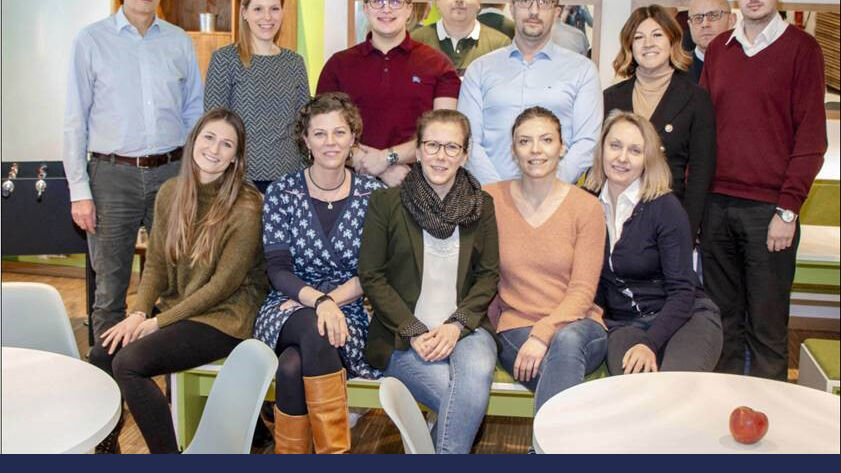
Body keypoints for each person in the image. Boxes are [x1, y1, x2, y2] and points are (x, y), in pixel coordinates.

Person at [61, 0, 203, 453]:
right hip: (111, 176)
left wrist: (192, 180)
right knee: (108, 297)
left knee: (179, 289)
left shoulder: (178, 42)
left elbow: (193, 115)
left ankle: (170, 408)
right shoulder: (91, 40)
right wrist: (78, 189)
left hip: (171, 173)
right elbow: (74, 119)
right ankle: (105, 425)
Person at [103, 109, 266, 454]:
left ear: (236, 157)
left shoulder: (247, 206)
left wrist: (157, 322)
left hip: (225, 317)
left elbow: (221, 287)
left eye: (227, 144)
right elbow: (157, 265)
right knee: (102, 353)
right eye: (209, 137)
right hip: (182, 307)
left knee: (128, 364)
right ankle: (107, 449)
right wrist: (137, 314)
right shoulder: (171, 192)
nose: (215, 149)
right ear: (193, 140)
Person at [359, 110, 499, 454]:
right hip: (403, 335)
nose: (441, 155)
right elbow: (372, 276)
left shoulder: (482, 205)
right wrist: (413, 329)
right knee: (459, 397)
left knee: (476, 374)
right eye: (433, 145)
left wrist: (455, 326)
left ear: (465, 154)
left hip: (466, 327)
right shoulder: (385, 203)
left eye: (452, 147)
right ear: (418, 151)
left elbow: (488, 275)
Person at [700, 0, 827, 380]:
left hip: (769, 213)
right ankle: (725, 419)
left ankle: (769, 427)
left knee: (768, 332)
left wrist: (788, 210)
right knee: (723, 325)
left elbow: (811, 139)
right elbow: (702, 130)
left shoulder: (803, 50)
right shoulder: (719, 49)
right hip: (715, 207)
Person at [253, 93, 384, 454]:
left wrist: (330, 302)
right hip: (288, 306)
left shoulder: (375, 195)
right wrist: (319, 302)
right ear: (305, 140)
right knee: (314, 326)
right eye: (320, 133)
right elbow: (277, 269)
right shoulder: (282, 192)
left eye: (339, 133)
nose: (331, 142)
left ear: (353, 137)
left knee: (293, 367)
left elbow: (373, 271)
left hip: (350, 313)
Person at [484, 107, 606, 418]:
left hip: (580, 326)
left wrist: (544, 333)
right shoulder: (490, 200)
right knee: (564, 377)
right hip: (516, 327)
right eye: (525, 141)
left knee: (566, 341)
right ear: (513, 150)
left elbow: (582, 291)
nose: (536, 150)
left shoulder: (587, 207)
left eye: (546, 140)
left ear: (562, 147)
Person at [584, 110, 723, 376]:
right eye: (615, 146)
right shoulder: (587, 204)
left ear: (647, 159)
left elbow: (683, 292)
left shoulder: (665, 207)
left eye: (635, 150)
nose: (622, 158)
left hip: (685, 317)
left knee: (673, 389)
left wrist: (649, 343)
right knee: (634, 395)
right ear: (601, 149)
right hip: (626, 325)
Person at [317, 0, 461, 188]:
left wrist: (387, 158)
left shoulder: (439, 65)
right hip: (348, 190)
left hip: (417, 185)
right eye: (377, 2)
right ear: (366, 8)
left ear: (409, 9)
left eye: (395, 2)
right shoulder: (337, 65)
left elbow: (446, 133)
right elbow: (321, 131)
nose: (386, 9)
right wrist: (373, 164)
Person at [458, 0, 602, 185]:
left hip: (555, 201)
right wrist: (497, 192)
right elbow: (468, 139)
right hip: (489, 198)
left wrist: (547, 188)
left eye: (544, 3)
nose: (534, 11)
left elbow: (587, 141)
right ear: (512, 8)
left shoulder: (582, 70)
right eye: (526, 2)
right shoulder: (479, 70)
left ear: (556, 12)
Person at [603, 4, 716, 239]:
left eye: (657, 35)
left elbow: (701, 173)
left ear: (672, 41)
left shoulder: (696, 98)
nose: (648, 44)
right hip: (617, 218)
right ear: (629, 46)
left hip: (670, 218)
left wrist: (688, 229)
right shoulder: (611, 97)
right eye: (639, 37)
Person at [204, 0, 310, 194]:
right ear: (244, 12)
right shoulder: (224, 59)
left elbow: (303, 125)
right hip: (239, 180)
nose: (267, 17)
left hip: (290, 179)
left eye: (274, 9)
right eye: (258, 9)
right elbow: (214, 126)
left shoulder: (295, 62)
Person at [411, 0, 510, 76]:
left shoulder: (500, 44)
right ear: (437, 2)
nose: (458, 0)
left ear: (479, 2)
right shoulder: (415, 41)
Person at [686, 0, 735, 83]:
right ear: (690, 25)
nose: (705, 24)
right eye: (697, 18)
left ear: (731, 20)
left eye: (713, 15)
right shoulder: (674, 70)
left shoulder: (747, 64)